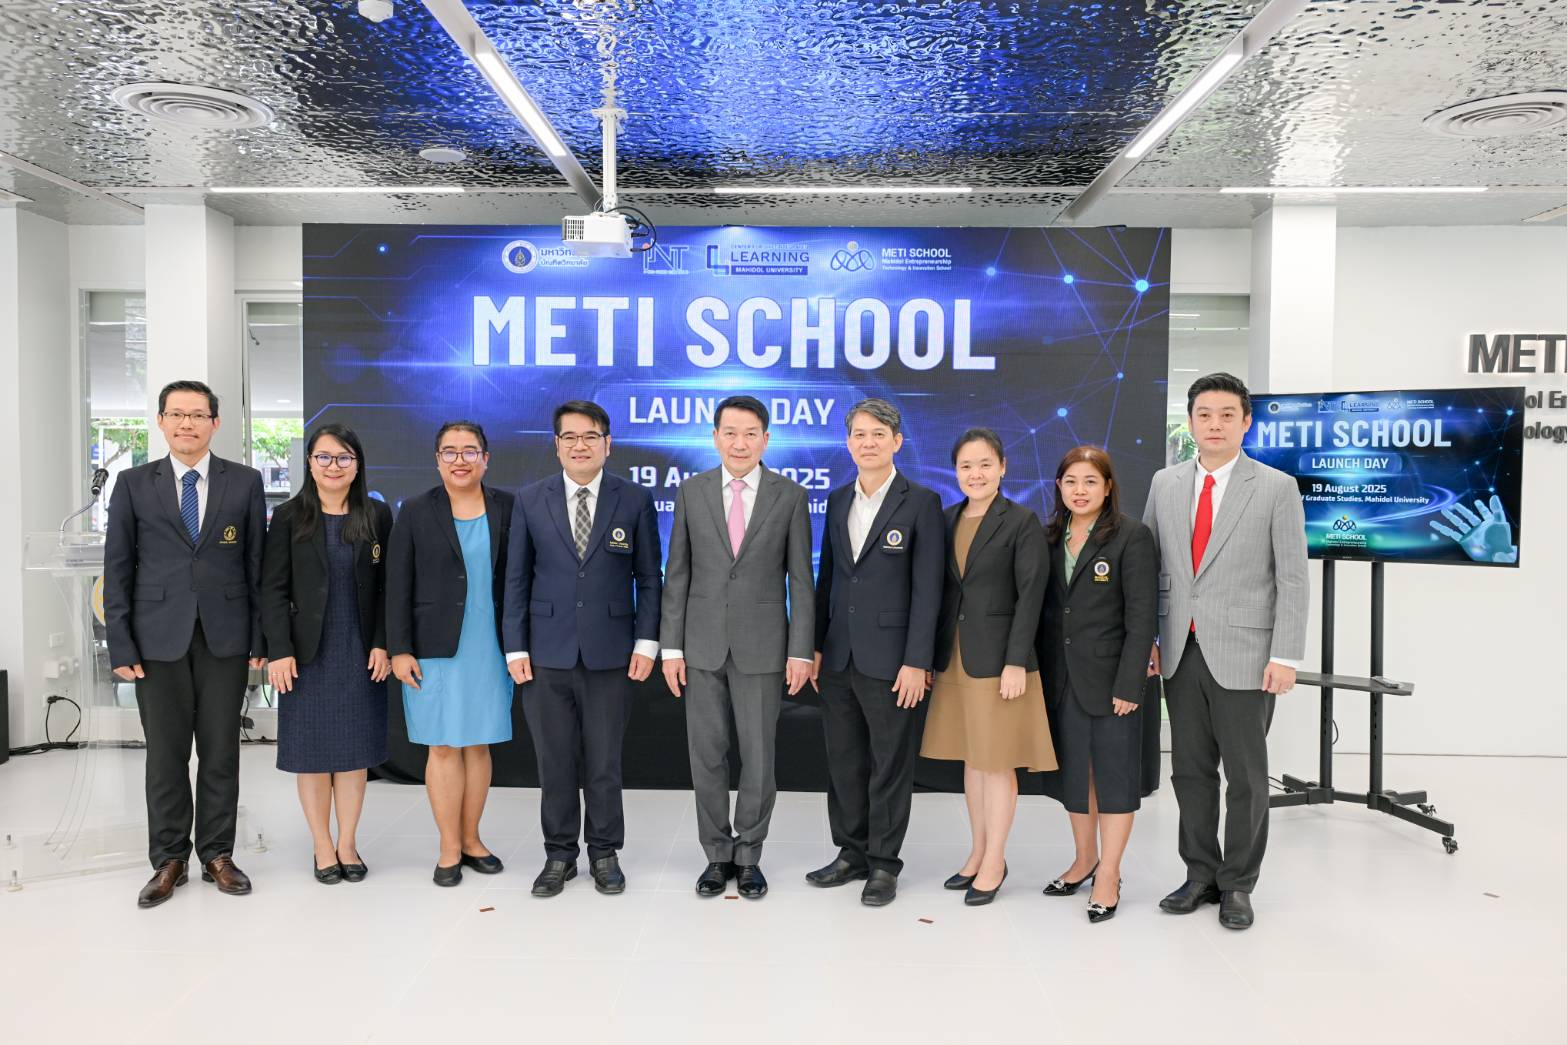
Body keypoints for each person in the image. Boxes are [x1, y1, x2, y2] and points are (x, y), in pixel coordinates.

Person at [1144, 373, 1309, 931]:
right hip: (1179, 649)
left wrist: (1286, 655)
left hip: (1248, 652)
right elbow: (1148, 567)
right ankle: (1200, 874)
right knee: (1189, 773)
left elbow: (1293, 577)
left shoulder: (1276, 487)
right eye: (1204, 415)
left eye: (1226, 415)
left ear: (1246, 422)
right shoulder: (1165, 483)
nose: (1214, 424)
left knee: (1246, 777)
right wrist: (1149, 639)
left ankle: (1238, 883)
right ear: (1190, 421)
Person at [103, 379, 266, 908]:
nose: (187, 424)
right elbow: (117, 567)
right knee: (165, 756)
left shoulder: (244, 481)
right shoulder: (133, 483)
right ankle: (169, 859)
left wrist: (259, 637)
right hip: (156, 639)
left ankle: (218, 854)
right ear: (161, 421)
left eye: (197, 415)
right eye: (176, 414)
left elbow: (257, 566)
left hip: (225, 638)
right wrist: (121, 644)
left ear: (215, 423)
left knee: (221, 752)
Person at [503, 401, 662, 898]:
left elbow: (649, 579)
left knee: (604, 761)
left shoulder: (634, 499)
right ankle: (559, 855)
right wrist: (515, 647)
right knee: (554, 762)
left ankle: (604, 852)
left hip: (611, 653)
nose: (580, 445)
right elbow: (516, 580)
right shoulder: (530, 499)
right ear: (556, 446)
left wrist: (647, 641)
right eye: (569, 437)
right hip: (545, 653)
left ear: (607, 444)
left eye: (590, 436)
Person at [660, 394, 814, 900]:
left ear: (766, 440)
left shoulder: (790, 496)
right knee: (706, 756)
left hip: (764, 647)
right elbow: (677, 575)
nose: (740, 443)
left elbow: (801, 580)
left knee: (759, 757)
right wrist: (671, 648)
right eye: (730, 432)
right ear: (715, 437)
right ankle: (716, 854)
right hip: (700, 645)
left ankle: (749, 855)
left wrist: (800, 650)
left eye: (750, 434)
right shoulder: (692, 491)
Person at [807, 398, 943, 907]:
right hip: (839, 656)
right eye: (859, 435)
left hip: (893, 661)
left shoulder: (921, 502)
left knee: (889, 764)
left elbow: (929, 589)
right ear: (848, 443)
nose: (868, 443)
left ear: (896, 442)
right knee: (844, 761)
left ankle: (884, 863)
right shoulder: (837, 499)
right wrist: (816, 645)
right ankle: (851, 852)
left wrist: (917, 661)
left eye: (878, 434)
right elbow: (828, 579)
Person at [921, 428, 1055, 906]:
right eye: (965, 466)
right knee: (973, 760)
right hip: (954, 658)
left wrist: (1016, 661)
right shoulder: (946, 519)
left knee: (996, 762)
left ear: (1002, 467)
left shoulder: (1020, 521)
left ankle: (995, 860)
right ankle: (977, 853)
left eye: (984, 464)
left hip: (999, 663)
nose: (974, 474)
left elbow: (1031, 597)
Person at [261, 424, 394, 884]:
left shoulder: (376, 515)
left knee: (354, 754)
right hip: (305, 655)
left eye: (343, 458)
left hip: (359, 651)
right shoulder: (288, 516)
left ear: (357, 465)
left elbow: (388, 588)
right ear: (310, 463)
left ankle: (348, 843)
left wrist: (383, 642)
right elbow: (272, 589)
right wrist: (278, 650)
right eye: (324, 457)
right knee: (313, 754)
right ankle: (322, 844)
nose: (333, 466)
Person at [386, 420, 515, 887]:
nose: (460, 460)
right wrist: (400, 648)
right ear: (437, 460)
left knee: (478, 743)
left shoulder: (509, 507)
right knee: (442, 745)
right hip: (433, 647)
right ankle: (448, 847)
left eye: (470, 451)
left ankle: (472, 839)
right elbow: (397, 585)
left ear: (486, 458)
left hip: (491, 646)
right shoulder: (416, 511)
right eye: (450, 451)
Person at [1037, 446, 1158, 923]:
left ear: (1107, 487)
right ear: (1059, 487)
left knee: (1114, 777)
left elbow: (1142, 616)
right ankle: (1084, 858)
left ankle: (1109, 872)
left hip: (1112, 680)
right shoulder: (1049, 536)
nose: (1080, 490)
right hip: (1062, 678)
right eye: (1070, 481)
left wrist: (1130, 683)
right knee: (1076, 775)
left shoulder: (1132, 536)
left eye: (1090, 481)